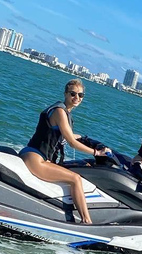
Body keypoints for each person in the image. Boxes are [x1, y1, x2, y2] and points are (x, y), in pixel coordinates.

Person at [19, 78, 108, 224]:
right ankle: (87, 222)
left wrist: (85, 138)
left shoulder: (64, 112)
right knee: (75, 179)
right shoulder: (60, 111)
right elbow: (72, 143)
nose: (77, 98)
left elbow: (69, 135)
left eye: (80, 95)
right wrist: (96, 153)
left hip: (33, 155)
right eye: (73, 94)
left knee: (81, 168)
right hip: (35, 158)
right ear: (65, 94)